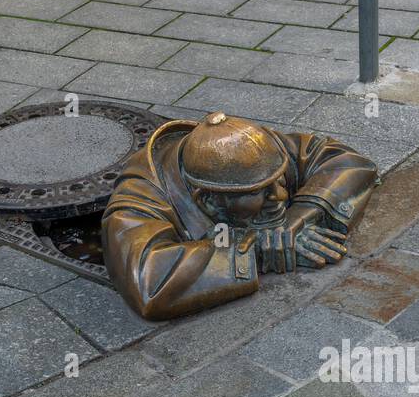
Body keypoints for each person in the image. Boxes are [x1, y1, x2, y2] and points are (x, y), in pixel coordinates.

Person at [101, 111, 377, 320]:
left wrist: (300, 216)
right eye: (259, 192)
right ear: (206, 200)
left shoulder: (260, 146)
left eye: (280, 180)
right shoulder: (138, 198)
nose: (280, 195)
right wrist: (254, 251)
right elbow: (147, 282)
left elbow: (348, 161)